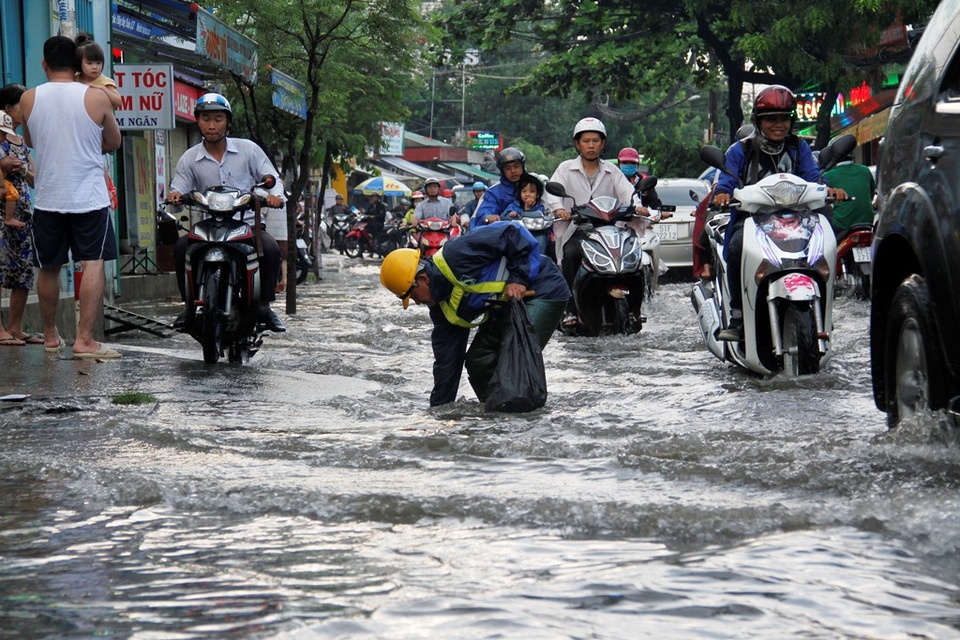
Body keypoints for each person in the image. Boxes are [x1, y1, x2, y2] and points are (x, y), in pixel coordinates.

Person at [379, 221, 570, 407]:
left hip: (544, 289)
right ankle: (497, 417)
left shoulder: (458, 253)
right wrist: (439, 412)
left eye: (413, 295)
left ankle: (522, 420)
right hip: (506, 307)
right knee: (479, 360)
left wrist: (519, 278)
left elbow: (514, 231)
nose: (417, 302)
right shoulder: (441, 310)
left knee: (511, 361)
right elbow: (447, 365)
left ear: (423, 279)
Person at [712, 85, 846, 342]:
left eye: (784, 118)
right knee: (737, 247)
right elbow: (726, 180)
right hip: (752, 220)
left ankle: (824, 307)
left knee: (826, 238)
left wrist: (829, 190)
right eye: (771, 119)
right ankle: (738, 316)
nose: (778, 125)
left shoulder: (799, 148)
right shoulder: (740, 150)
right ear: (758, 121)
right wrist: (723, 193)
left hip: (798, 220)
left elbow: (814, 177)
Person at [19, 35, 122, 358]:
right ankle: (84, 340)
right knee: (92, 262)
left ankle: (51, 336)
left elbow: (31, 139)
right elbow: (114, 141)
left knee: (48, 266)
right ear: (78, 64)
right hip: (89, 196)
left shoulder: (28, 98)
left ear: (44, 64)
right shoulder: (96, 97)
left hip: (48, 196)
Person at [168, 92, 286, 332]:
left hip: (248, 224)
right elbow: (177, 192)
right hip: (209, 225)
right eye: (206, 118)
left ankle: (264, 306)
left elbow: (273, 179)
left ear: (227, 122)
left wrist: (274, 197)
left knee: (271, 250)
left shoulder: (248, 150)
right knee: (181, 248)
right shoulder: (190, 158)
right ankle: (188, 307)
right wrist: (175, 197)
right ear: (198, 122)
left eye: (218, 119)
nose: (212, 125)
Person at [544, 117, 635, 326]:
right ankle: (569, 310)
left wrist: (636, 206)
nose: (591, 145)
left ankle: (634, 309)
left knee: (631, 258)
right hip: (579, 231)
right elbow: (553, 193)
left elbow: (628, 194)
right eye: (586, 141)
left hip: (610, 231)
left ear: (602, 143)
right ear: (578, 144)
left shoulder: (613, 172)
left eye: (595, 140)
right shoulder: (565, 169)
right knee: (571, 256)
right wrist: (559, 208)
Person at [0, 87, 40, 346]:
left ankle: (15, 327)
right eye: (20, 106)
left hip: (23, 213)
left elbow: (36, 179)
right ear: (6, 108)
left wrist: (22, 169)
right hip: (2, 210)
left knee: (23, 271)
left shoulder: (22, 141)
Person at [471, 147, 525, 229]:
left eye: (516, 166)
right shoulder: (493, 192)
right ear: (502, 171)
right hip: (506, 232)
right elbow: (486, 209)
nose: (513, 171)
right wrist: (488, 216)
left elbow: (548, 206)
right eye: (508, 168)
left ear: (522, 166)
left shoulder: (536, 184)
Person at [822, 154, 876, 235]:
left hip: (842, 226)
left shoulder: (827, 175)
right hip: (868, 222)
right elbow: (871, 194)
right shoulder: (865, 170)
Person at [75, 33, 122, 110]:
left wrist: (103, 88)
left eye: (98, 63)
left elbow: (118, 102)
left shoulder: (105, 82)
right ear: (79, 62)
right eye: (89, 63)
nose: (94, 67)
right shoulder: (74, 79)